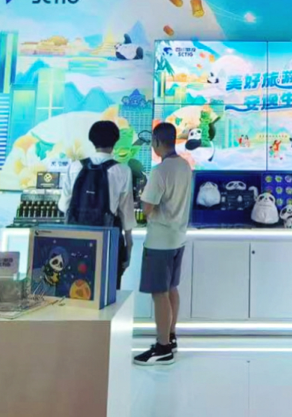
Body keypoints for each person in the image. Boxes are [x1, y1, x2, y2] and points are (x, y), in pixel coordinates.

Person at [134, 122, 193, 367]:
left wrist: (141, 199)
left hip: (159, 241)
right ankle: (170, 336)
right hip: (178, 238)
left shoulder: (160, 171)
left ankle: (163, 347)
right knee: (171, 289)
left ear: (157, 142)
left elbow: (147, 207)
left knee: (159, 294)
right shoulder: (185, 166)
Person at [59, 121, 135, 289]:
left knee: (76, 288)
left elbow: (64, 207)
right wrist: (128, 248)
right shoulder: (122, 170)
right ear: (115, 141)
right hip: (108, 241)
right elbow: (127, 214)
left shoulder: (75, 166)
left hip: (77, 241)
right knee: (108, 290)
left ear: (91, 140)